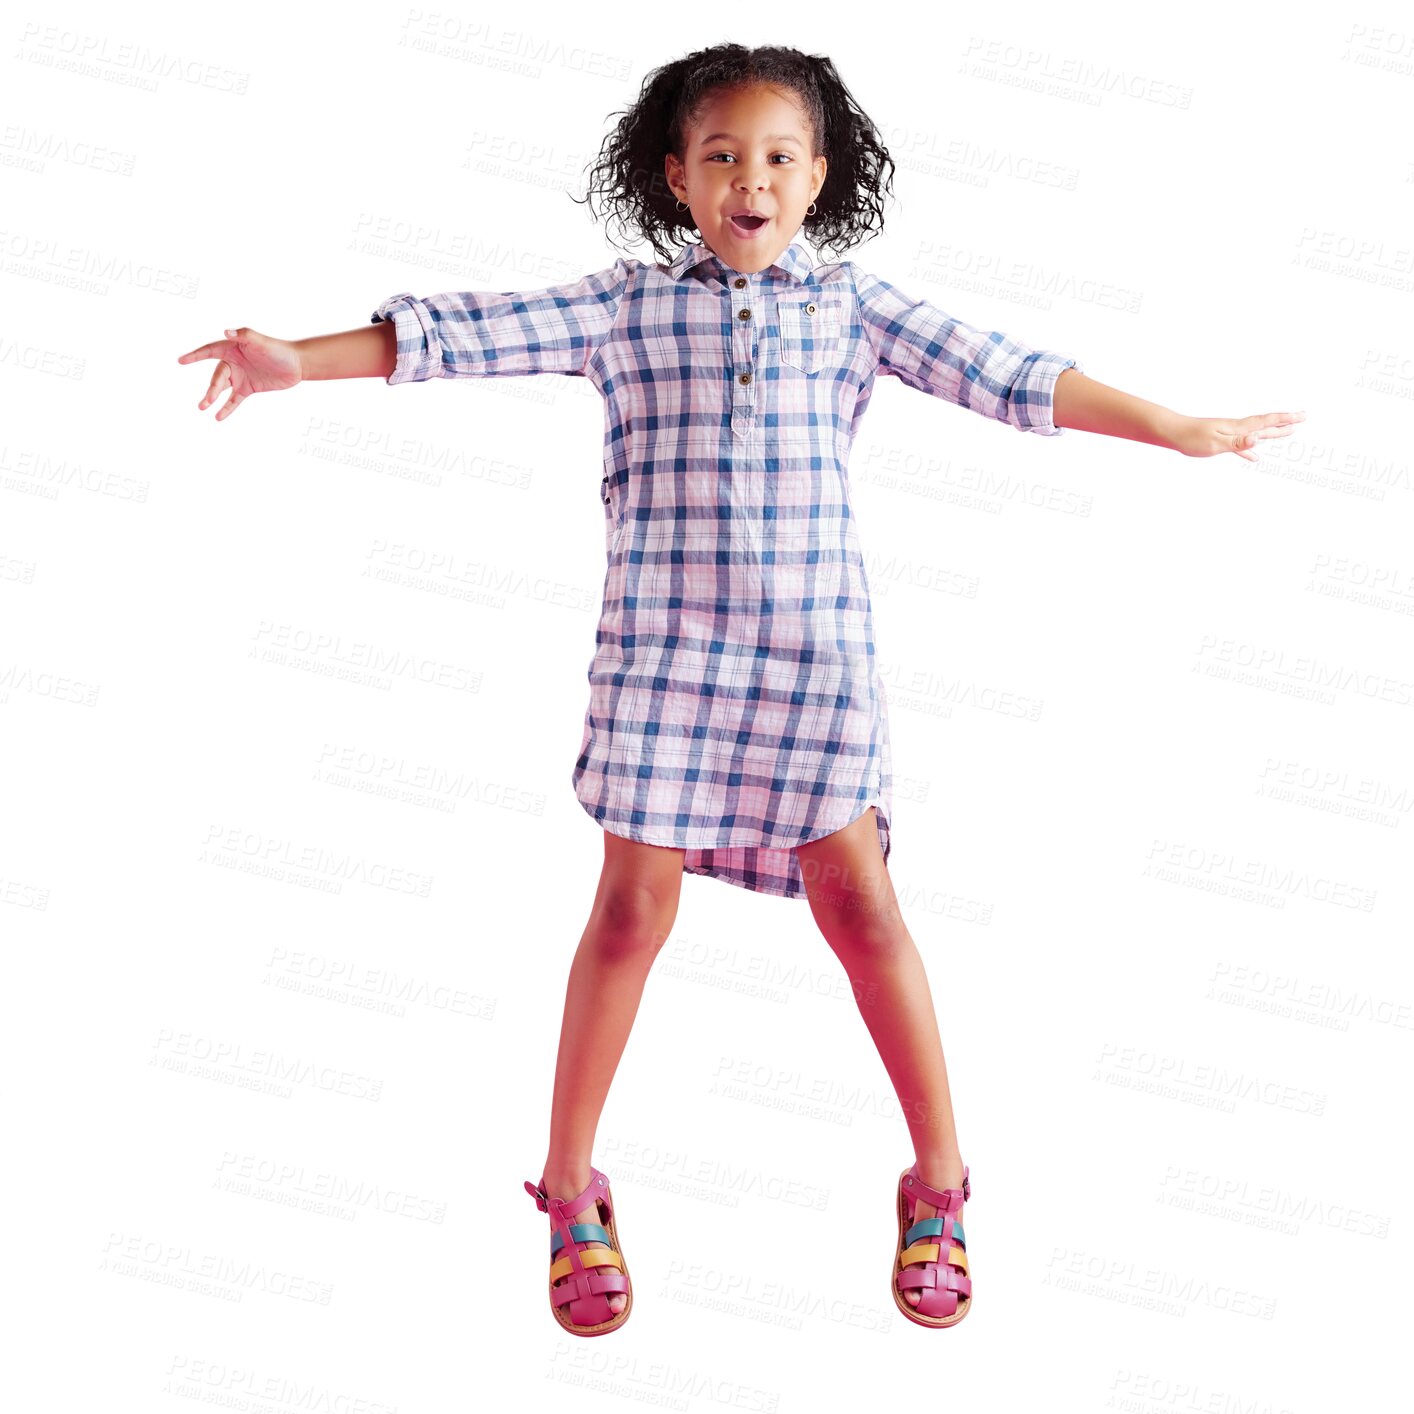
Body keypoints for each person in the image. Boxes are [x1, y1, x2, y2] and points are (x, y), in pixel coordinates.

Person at [177, 43, 1304, 1336]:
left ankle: (938, 1183)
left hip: (815, 660)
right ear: (676, 177)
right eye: (719, 156)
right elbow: (459, 332)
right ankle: (566, 1190)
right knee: (627, 913)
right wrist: (293, 361)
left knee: (863, 909)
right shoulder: (622, 308)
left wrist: (1172, 422)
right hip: (662, 656)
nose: (749, 179)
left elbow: (1010, 371)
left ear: (818, 176)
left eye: (776, 156)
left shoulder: (856, 311)